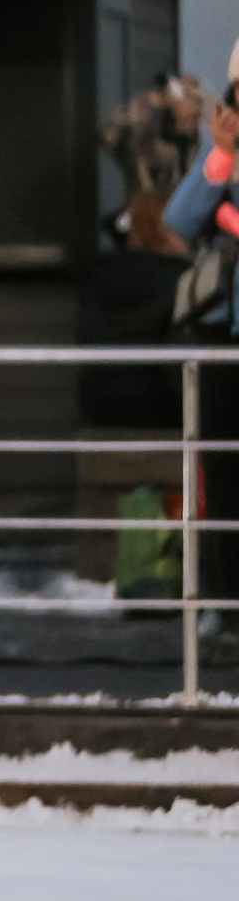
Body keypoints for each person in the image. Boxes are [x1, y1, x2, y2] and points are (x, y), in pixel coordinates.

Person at [157, 90, 239, 630]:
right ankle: (227, 600)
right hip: (226, 340)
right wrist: (221, 153)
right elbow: (178, 220)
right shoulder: (224, 161)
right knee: (226, 477)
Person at [103, 72, 204, 204]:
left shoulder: (206, 146)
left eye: (192, 93)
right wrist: (146, 102)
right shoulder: (148, 145)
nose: (184, 96)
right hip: (146, 219)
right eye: (183, 92)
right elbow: (107, 135)